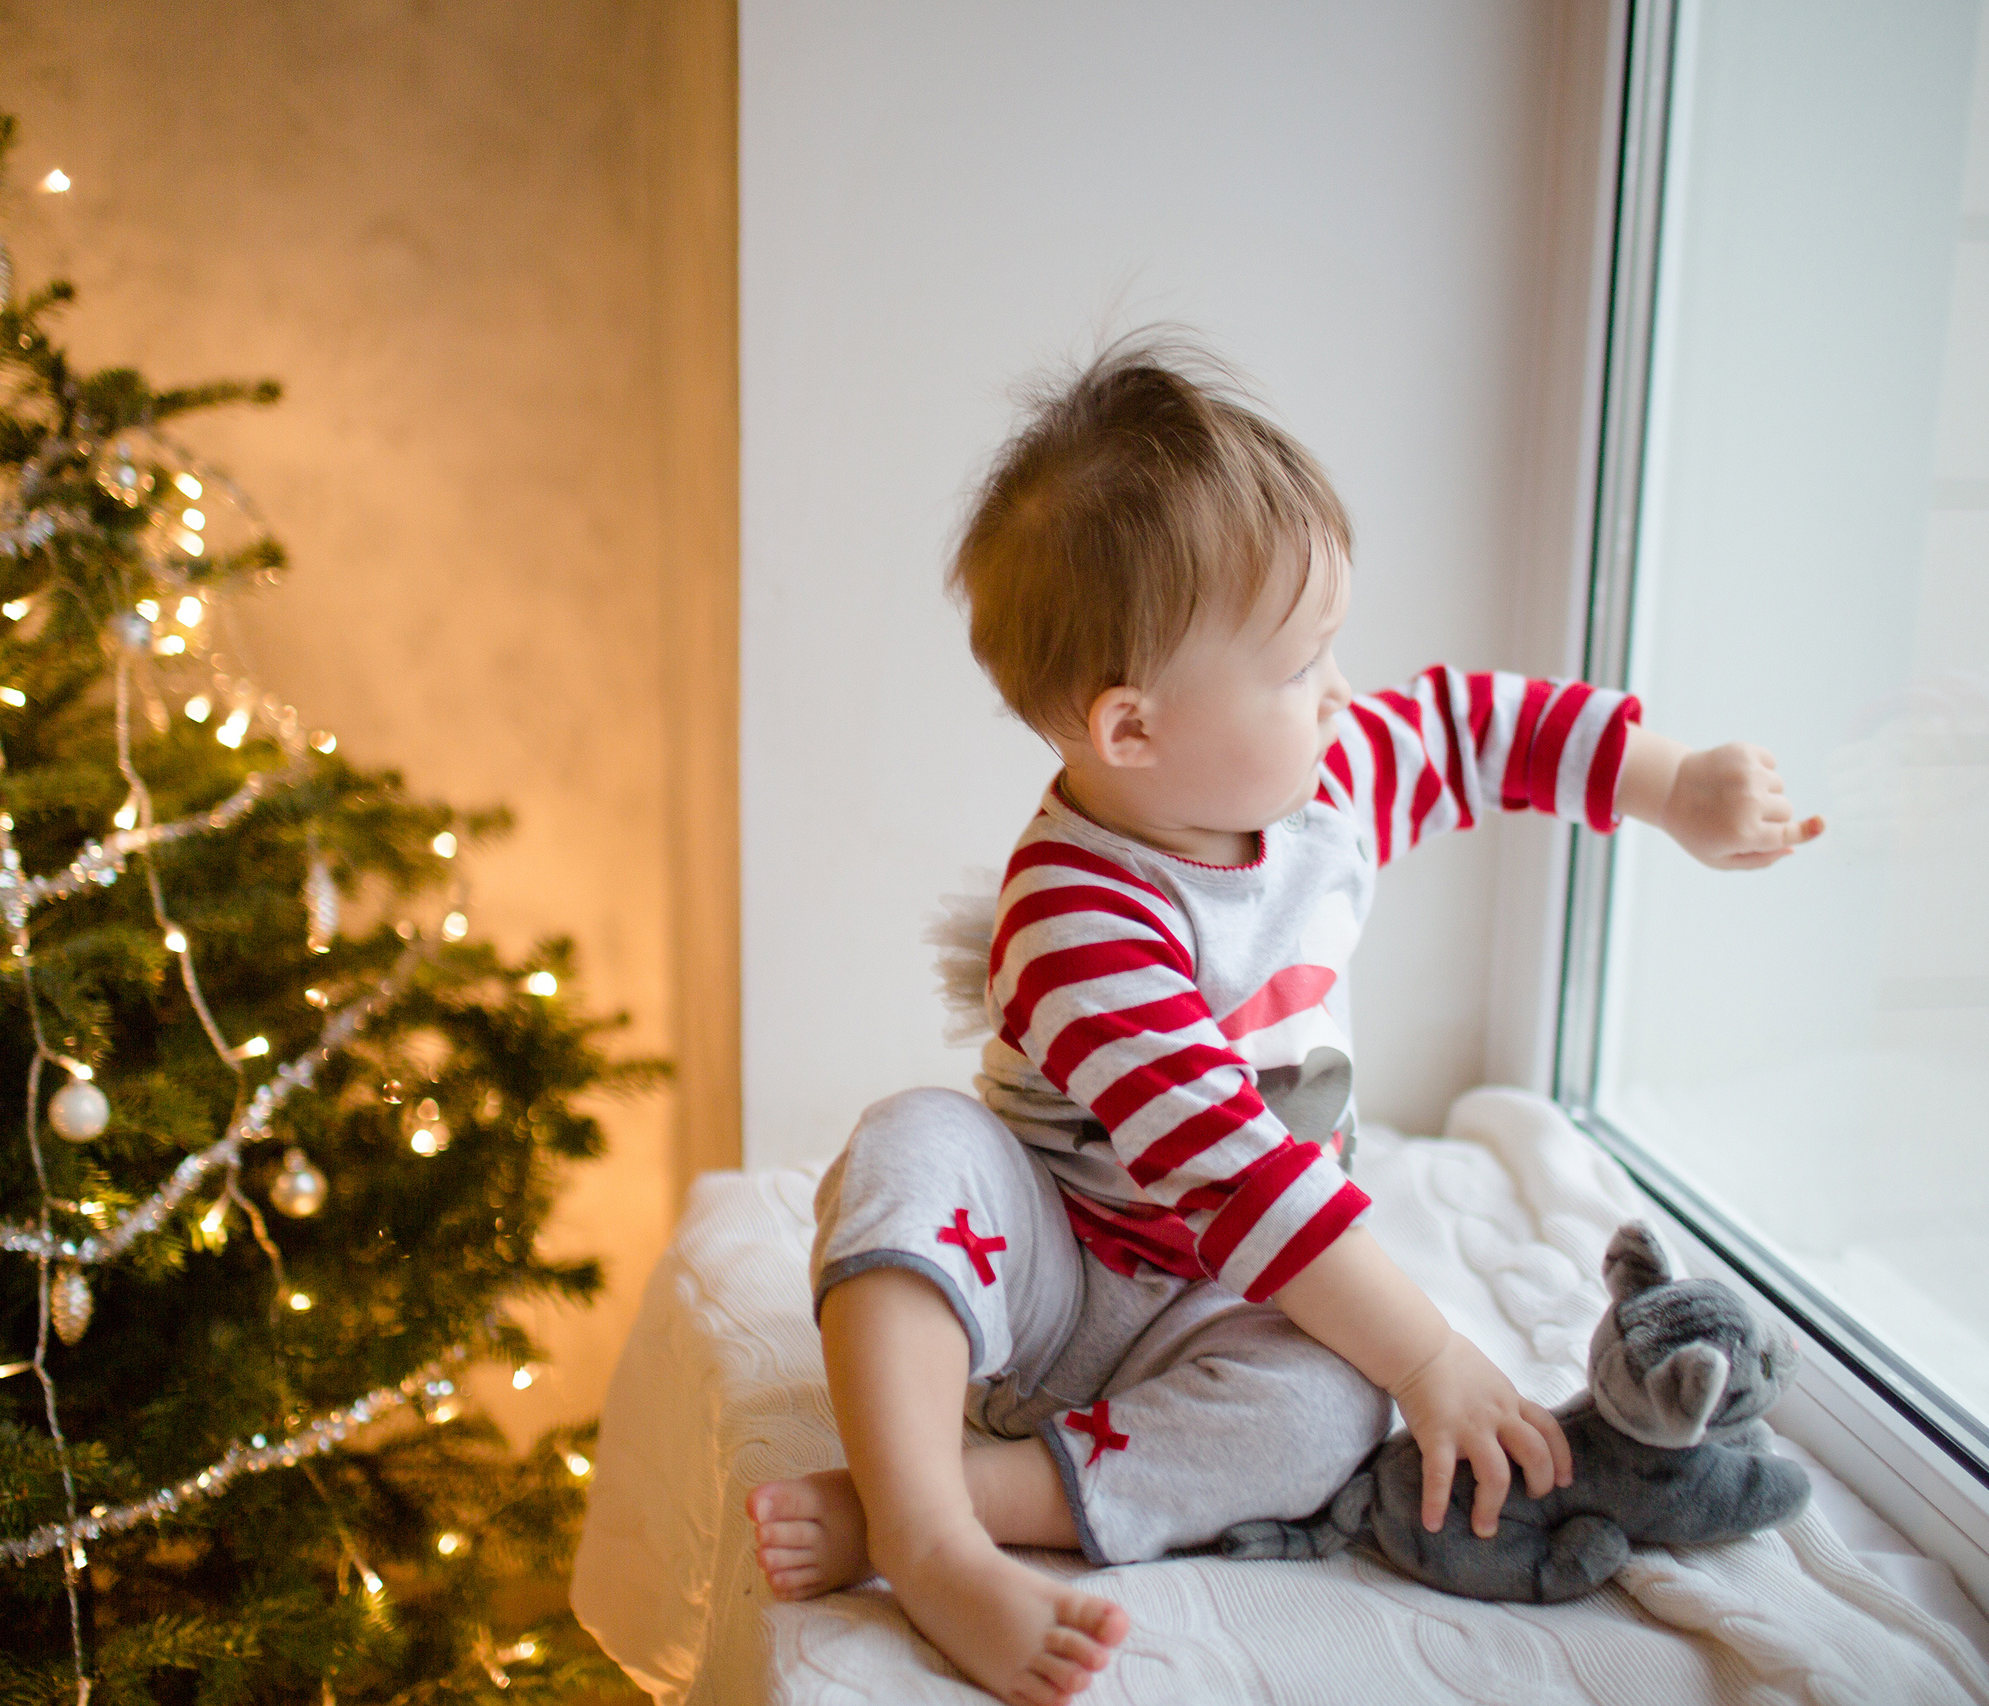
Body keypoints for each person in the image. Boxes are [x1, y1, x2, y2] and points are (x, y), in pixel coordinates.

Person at [746, 335, 1822, 1706]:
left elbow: (1470, 731)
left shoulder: (1320, 784)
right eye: (1302, 665)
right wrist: (1431, 1353)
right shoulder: (1079, 919)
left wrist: (1672, 786)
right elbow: (1246, 1177)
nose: (1341, 691)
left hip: (1227, 1300)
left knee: (1329, 1410)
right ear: (1132, 730)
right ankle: (927, 1534)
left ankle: (974, 1491)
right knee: (911, 1145)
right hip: (1055, 1271)